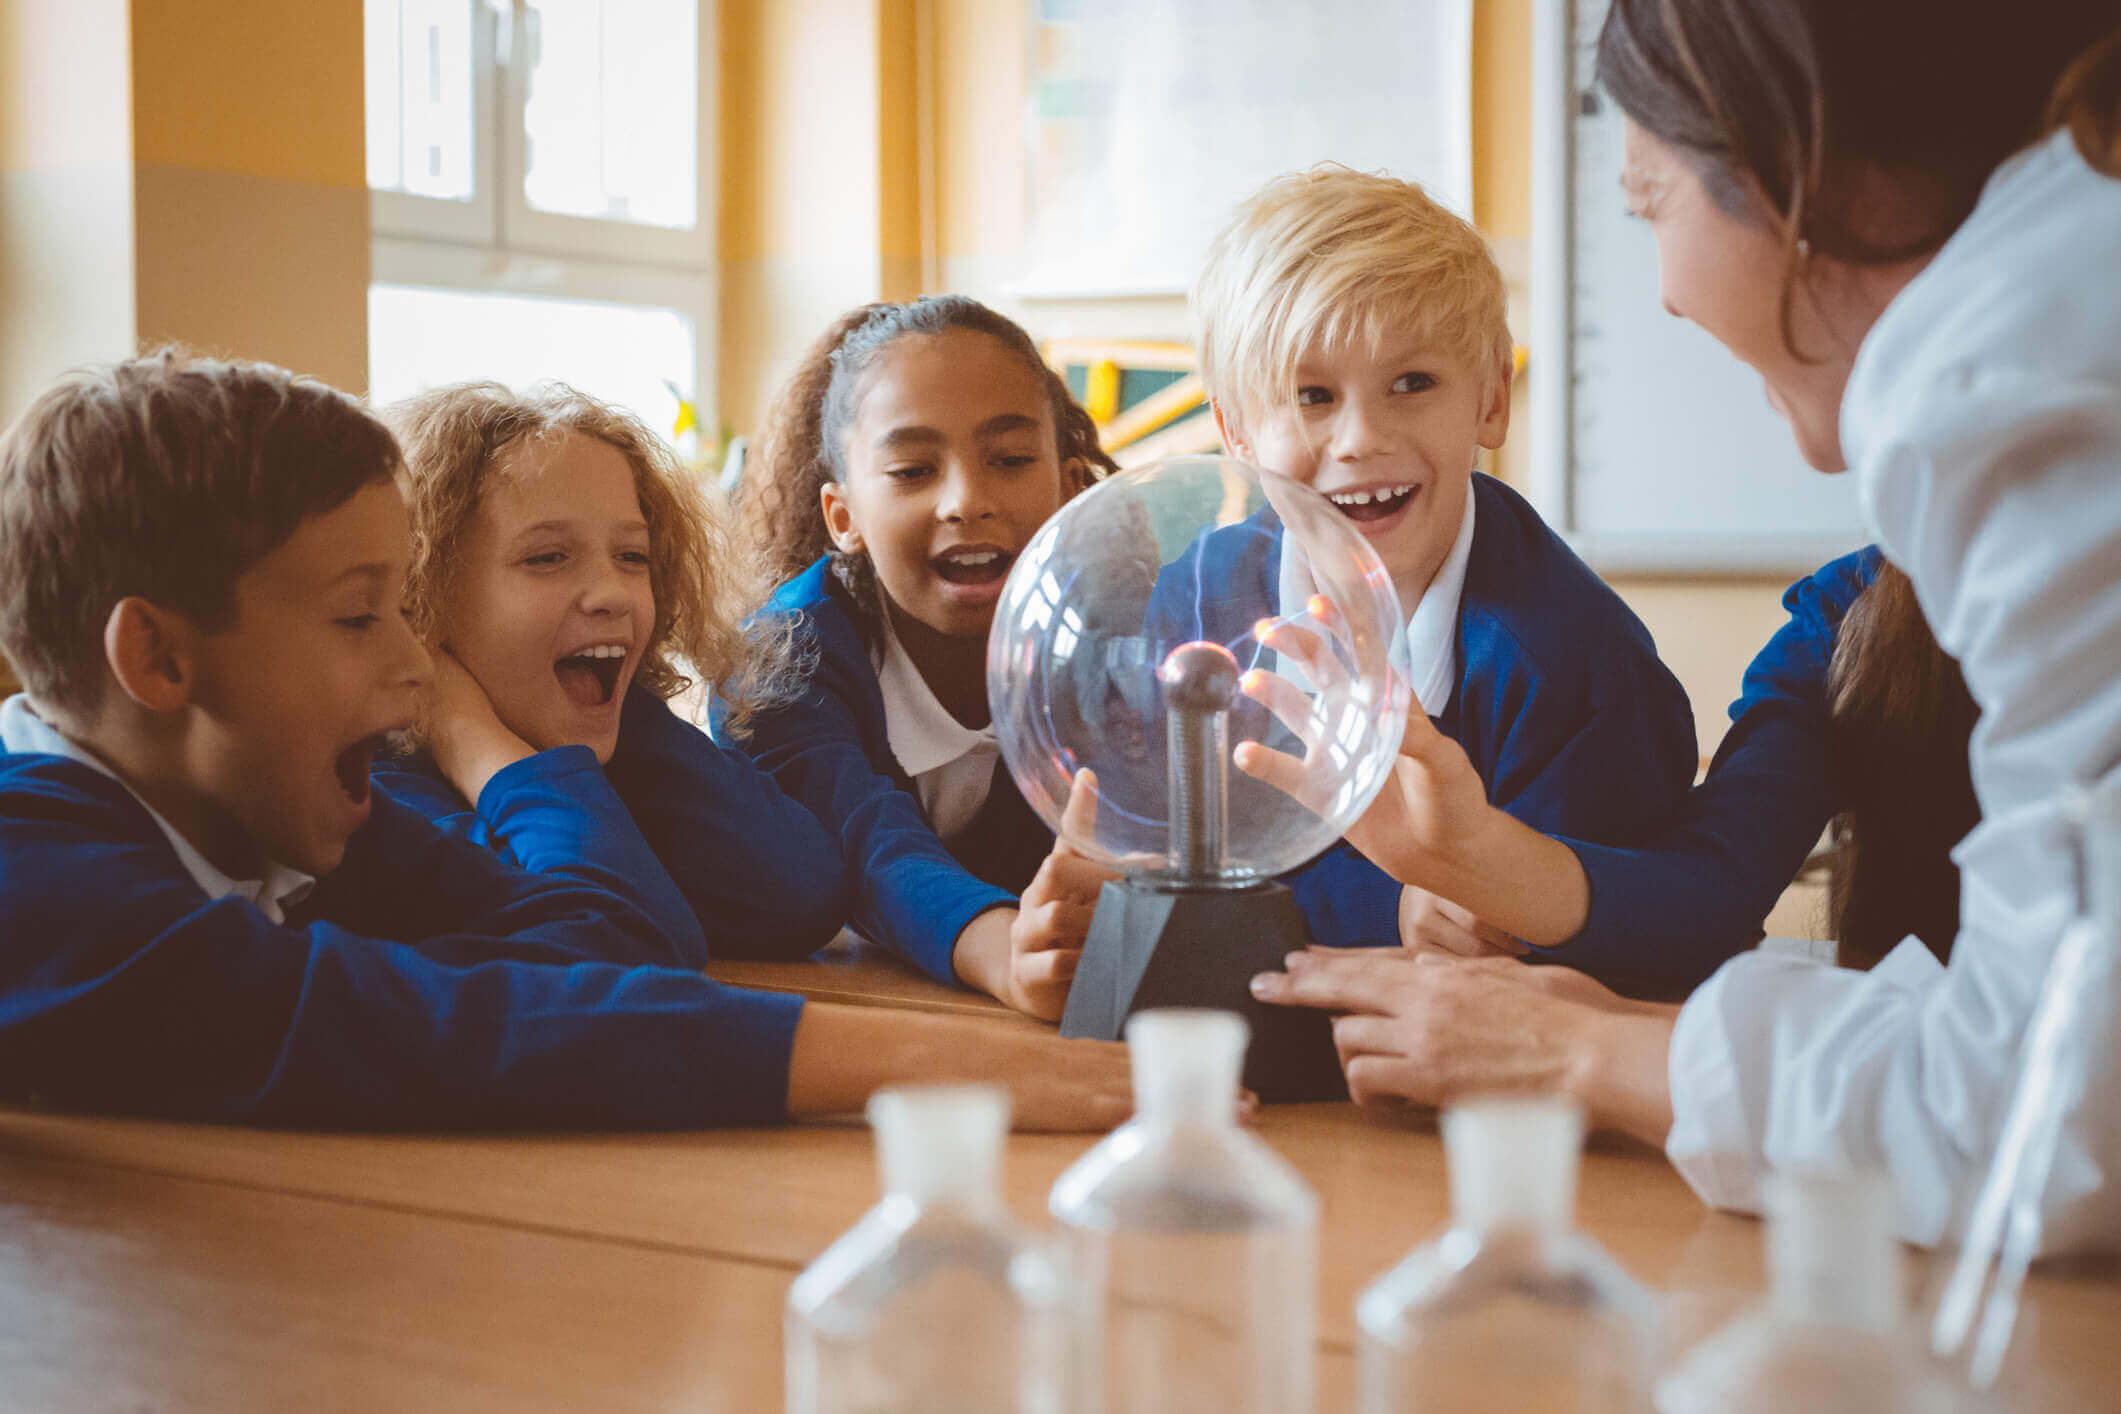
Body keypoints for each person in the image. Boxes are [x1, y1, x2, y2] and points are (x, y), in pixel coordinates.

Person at [1251, 3, 2121, 1249]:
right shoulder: (1867, 597)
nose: (1658, 294)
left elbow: (2048, 1111)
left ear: (1794, 167)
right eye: (1307, 395)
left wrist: (1582, 1048)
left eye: (1647, 196)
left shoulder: (2014, 398)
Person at [0, 353, 1133, 1131]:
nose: (412, 672)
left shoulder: (255, 812)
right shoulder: (33, 880)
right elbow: (453, 1030)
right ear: (157, 661)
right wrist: (946, 1068)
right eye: (363, 619)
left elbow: (616, 947)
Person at [1186, 165, 1699, 983]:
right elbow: (1169, 855)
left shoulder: (1574, 661)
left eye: (1411, 383)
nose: (1359, 438)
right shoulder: (1196, 602)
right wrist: (1384, 909)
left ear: (1490, 402)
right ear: (1236, 432)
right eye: (1311, 395)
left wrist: (1489, 906)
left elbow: (1620, 938)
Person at [732, 296, 1121, 1020]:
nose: (966, 501)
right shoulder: (774, 663)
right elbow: (867, 848)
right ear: (842, 517)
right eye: (912, 471)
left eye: (1008, 460)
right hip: (850, 1014)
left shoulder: (1118, 644)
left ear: (1071, 490)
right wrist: (1008, 956)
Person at [375, 381, 846, 962]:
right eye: (546, 558)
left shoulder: (601, 736)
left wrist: (625, 707)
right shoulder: (383, 796)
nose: (613, 594)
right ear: (422, 594)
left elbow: (800, 895)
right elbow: (627, 948)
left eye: (632, 557)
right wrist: (470, 738)